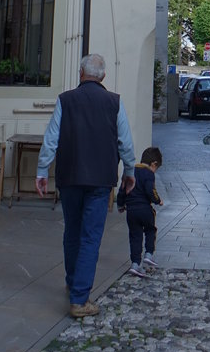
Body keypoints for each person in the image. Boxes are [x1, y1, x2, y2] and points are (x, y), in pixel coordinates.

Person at [35, 53, 135, 318]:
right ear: (103, 76)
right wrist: (130, 170)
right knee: (91, 237)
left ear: (81, 73)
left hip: (69, 176)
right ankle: (80, 299)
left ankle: (72, 281)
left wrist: (42, 170)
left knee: (72, 231)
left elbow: (51, 138)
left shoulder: (65, 100)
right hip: (101, 179)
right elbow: (125, 141)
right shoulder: (114, 102)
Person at [120, 146, 163, 277]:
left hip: (131, 211)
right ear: (153, 164)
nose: (155, 171)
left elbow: (122, 189)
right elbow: (151, 191)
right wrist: (158, 200)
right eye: (156, 168)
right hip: (145, 209)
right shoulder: (149, 174)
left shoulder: (129, 171)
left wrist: (121, 205)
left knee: (135, 236)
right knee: (150, 229)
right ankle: (149, 253)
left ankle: (135, 264)